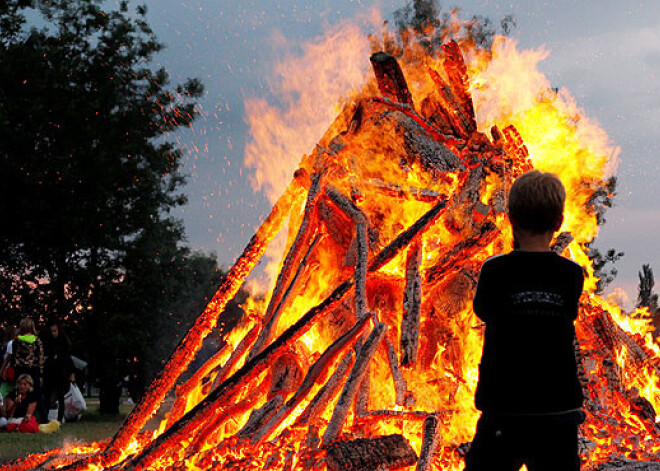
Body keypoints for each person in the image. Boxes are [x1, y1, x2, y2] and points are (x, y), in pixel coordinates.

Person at [464, 171, 585, 471]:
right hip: (559, 411)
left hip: (504, 410)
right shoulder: (571, 274)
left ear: (511, 219)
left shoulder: (495, 270)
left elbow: (483, 311)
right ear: (558, 223)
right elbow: (568, 313)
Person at [9, 318, 46, 423]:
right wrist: (41, 374)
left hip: (20, 371)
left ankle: (17, 418)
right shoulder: (37, 341)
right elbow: (41, 358)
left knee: (20, 394)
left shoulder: (16, 341)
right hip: (34, 371)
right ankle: (43, 419)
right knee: (37, 395)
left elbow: (14, 358)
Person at [43, 322, 75, 423]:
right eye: (51, 331)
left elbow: (68, 359)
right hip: (50, 373)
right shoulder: (48, 343)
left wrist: (71, 373)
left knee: (61, 397)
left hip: (60, 373)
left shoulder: (64, 344)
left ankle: (60, 418)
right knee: (47, 396)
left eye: (55, 331)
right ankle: (45, 418)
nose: (53, 333)